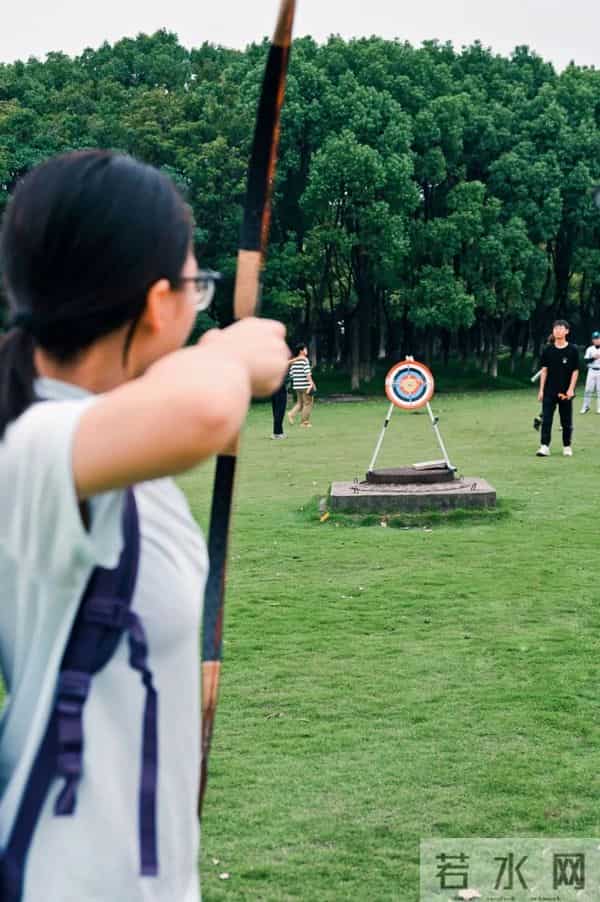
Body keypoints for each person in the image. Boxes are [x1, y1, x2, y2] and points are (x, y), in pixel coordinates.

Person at [0, 150, 288, 901]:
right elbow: (201, 409)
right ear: (160, 303)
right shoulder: (32, 444)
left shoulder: (100, 447)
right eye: (198, 285)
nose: (201, 304)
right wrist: (231, 352)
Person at [536, 319, 579, 457]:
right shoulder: (548, 350)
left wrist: (571, 389)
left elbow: (575, 371)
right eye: (555, 328)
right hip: (549, 391)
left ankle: (567, 446)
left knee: (566, 420)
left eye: (560, 328)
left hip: (566, 392)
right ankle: (544, 446)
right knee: (547, 419)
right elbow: (544, 370)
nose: (557, 330)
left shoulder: (573, 350)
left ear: (567, 331)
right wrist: (541, 390)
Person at [287, 344, 316, 428]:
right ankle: (304, 423)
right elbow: (307, 373)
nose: (307, 350)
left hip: (297, 385)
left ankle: (291, 414)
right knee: (308, 403)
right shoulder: (305, 360)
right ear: (301, 351)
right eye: (305, 349)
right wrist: (311, 384)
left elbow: (291, 374)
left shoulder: (294, 361)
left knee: (300, 403)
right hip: (305, 385)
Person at [580, 330, 600, 413]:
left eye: (598, 338)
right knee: (588, 390)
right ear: (592, 340)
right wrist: (593, 358)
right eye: (594, 339)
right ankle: (585, 407)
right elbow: (586, 361)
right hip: (591, 370)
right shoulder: (590, 349)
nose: (596, 340)